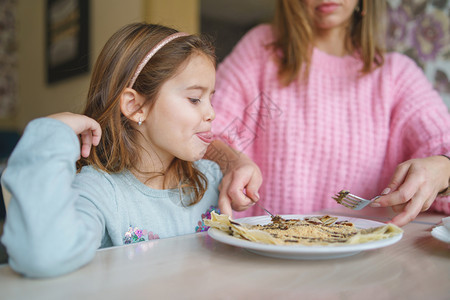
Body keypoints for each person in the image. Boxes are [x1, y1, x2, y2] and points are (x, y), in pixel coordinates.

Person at [1, 23, 223, 278]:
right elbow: (42, 257)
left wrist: (236, 162)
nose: (212, 113)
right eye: (195, 99)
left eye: (211, 98)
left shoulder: (211, 178)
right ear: (136, 106)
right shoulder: (100, 191)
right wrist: (50, 135)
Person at [211, 0, 450, 225]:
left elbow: (443, 145)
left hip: (364, 259)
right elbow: (206, 134)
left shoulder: (396, 75)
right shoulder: (262, 49)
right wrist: (232, 161)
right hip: (263, 252)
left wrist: (442, 169)